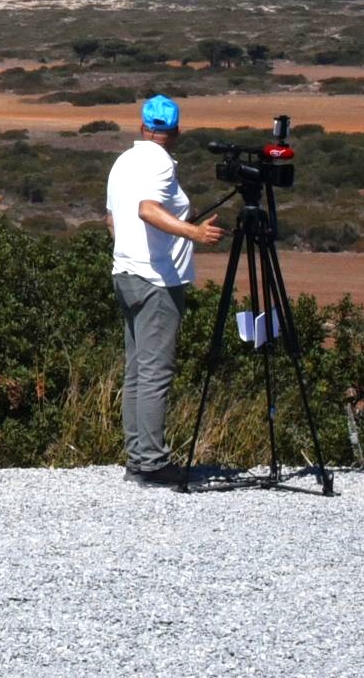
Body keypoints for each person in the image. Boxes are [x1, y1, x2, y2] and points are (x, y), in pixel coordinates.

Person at [106, 93, 221, 481]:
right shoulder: (159, 162)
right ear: (176, 131)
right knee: (155, 373)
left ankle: (137, 459)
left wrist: (130, 250)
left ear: (142, 126)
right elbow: (147, 209)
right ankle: (153, 463)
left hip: (125, 274)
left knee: (137, 371)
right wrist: (194, 233)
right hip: (156, 280)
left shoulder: (123, 161)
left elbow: (112, 219)